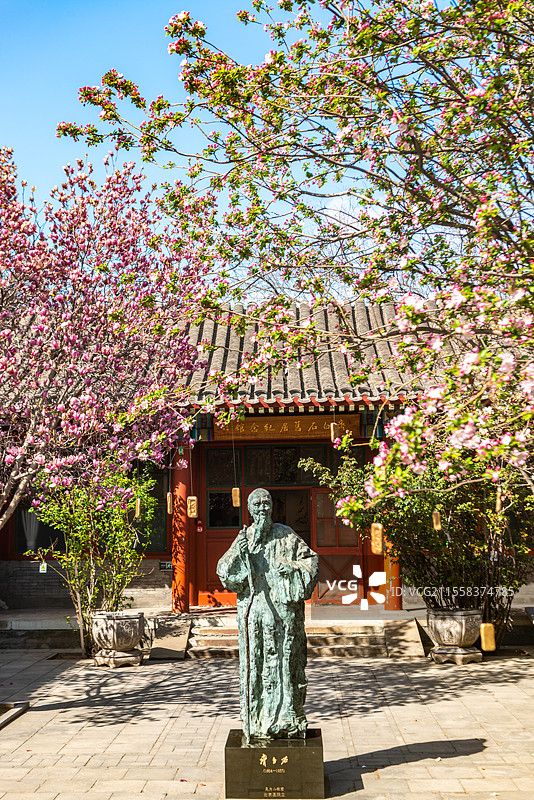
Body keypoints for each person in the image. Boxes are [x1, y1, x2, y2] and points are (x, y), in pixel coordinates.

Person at [217, 488, 318, 740]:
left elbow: (310, 562)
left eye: (267, 503)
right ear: (250, 509)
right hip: (255, 615)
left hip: (283, 616)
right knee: (256, 666)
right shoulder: (244, 538)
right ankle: (257, 720)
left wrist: (290, 568)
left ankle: (288, 718)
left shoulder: (286, 535)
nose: (263, 508)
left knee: (286, 665)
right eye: (258, 504)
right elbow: (225, 573)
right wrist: (240, 555)